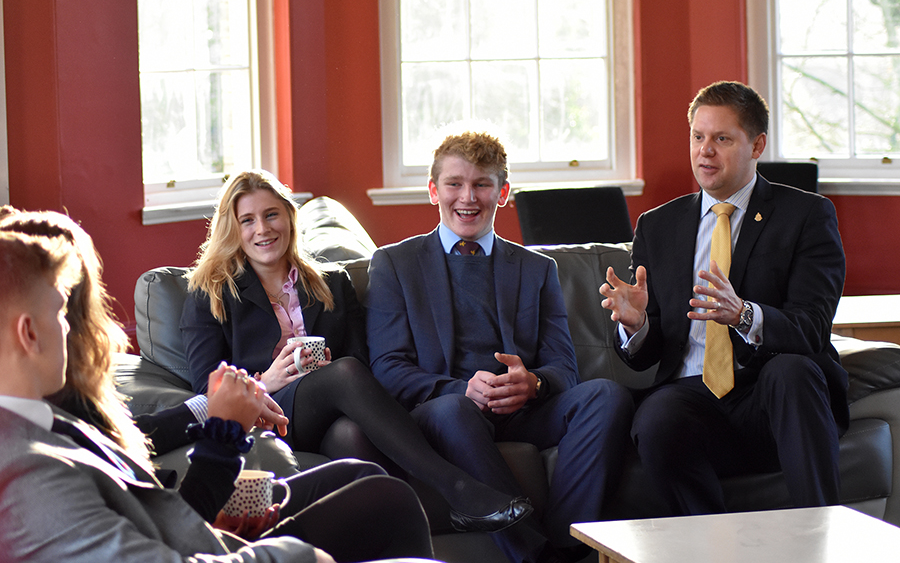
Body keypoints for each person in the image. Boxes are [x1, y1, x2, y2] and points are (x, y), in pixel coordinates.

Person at [0, 209, 435, 561]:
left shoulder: (42, 413)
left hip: (190, 521)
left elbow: (138, 485)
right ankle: (451, 488)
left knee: (363, 472)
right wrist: (224, 430)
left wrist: (208, 504)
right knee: (386, 500)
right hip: (197, 532)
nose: (83, 329)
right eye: (64, 310)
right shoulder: (30, 471)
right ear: (28, 332)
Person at [180, 169, 532, 533]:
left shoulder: (332, 282)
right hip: (268, 415)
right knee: (344, 372)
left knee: (354, 433)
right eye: (247, 221)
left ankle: (404, 538)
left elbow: (365, 365)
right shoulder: (211, 293)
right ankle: (459, 489)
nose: (263, 229)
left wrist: (329, 375)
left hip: (330, 414)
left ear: (288, 216)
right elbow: (206, 394)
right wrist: (264, 382)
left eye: (271, 215)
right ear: (232, 229)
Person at [365, 131, 635, 563]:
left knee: (606, 394)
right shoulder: (395, 264)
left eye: (482, 184)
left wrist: (534, 383)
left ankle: (567, 544)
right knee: (454, 410)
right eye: (454, 184)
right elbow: (388, 368)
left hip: (523, 410)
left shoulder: (537, 268)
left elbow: (564, 367)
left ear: (503, 192)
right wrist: (460, 390)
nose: (467, 197)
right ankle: (533, 552)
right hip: (447, 411)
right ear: (434, 190)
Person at [599, 81, 847, 516]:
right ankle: (711, 546)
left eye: (722, 139)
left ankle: (821, 531)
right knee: (657, 418)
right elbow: (646, 358)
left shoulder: (806, 215)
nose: (705, 151)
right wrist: (637, 326)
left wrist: (744, 314)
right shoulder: (658, 226)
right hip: (694, 398)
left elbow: (811, 328)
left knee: (791, 370)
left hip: (771, 397)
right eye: (698, 137)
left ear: (757, 145)